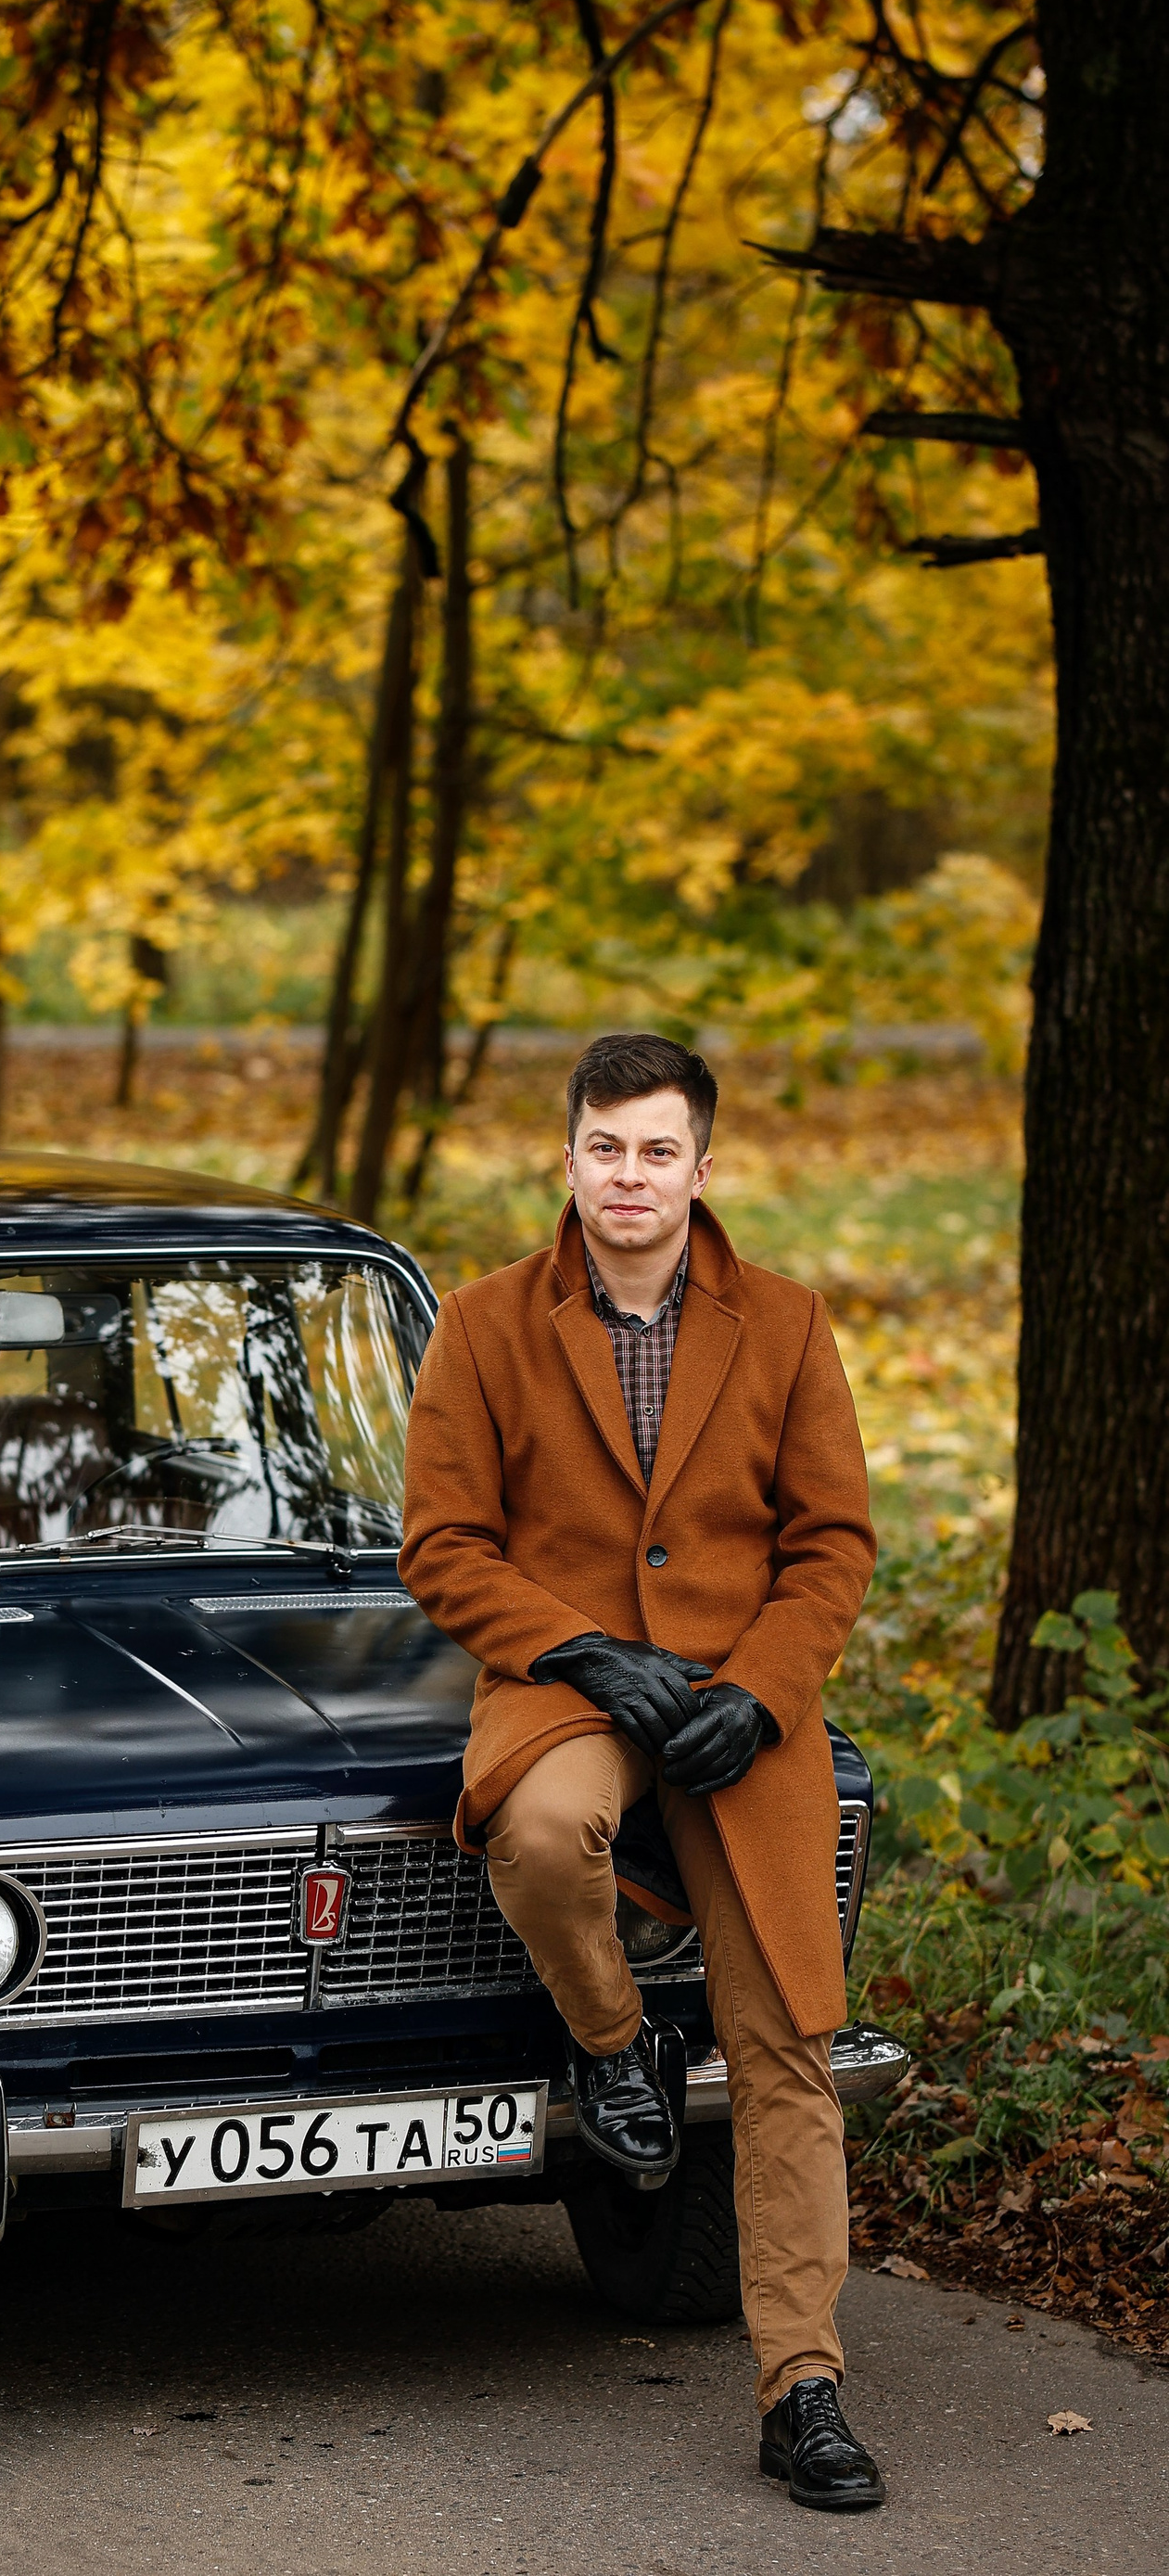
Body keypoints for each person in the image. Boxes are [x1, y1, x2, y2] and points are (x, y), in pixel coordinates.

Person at [399, 1031, 886, 2513]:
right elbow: (441, 1545)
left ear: (701, 1166)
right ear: (568, 1159)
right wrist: (578, 1648)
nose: (630, 1175)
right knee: (547, 1834)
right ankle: (613, 2044)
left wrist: (766, 1689)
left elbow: (833, 1545)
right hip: (570, 1684)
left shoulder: (787, 1324)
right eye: (605, 1147)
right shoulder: (484, 1322)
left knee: (787, 2039)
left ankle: (802, 2386)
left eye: (657, 1150)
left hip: (742, 1704)